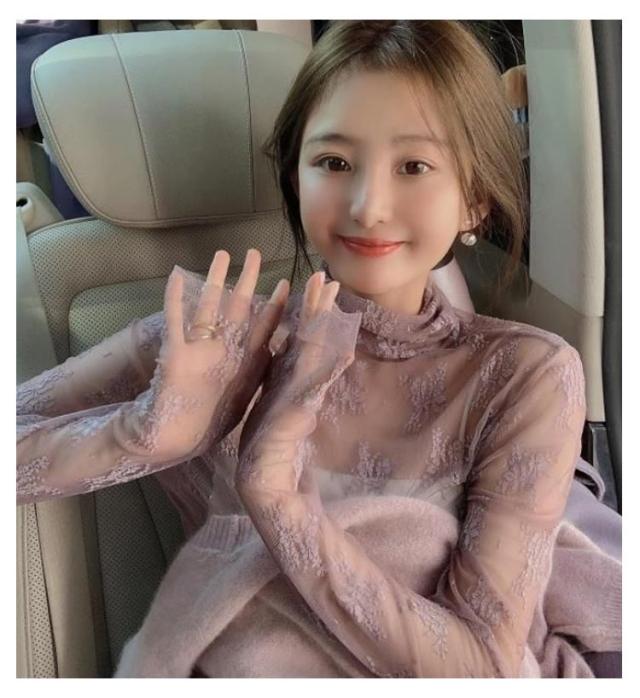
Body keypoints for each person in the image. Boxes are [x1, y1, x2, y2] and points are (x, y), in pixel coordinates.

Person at [17, 20, 621, 678]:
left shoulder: (524, 373)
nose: (368, 205)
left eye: (414, 166)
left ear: (474, 200)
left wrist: (277, 499)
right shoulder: (203, 344)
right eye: (334, 162)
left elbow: (484, 668)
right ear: (296, 178)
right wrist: (143, 433)